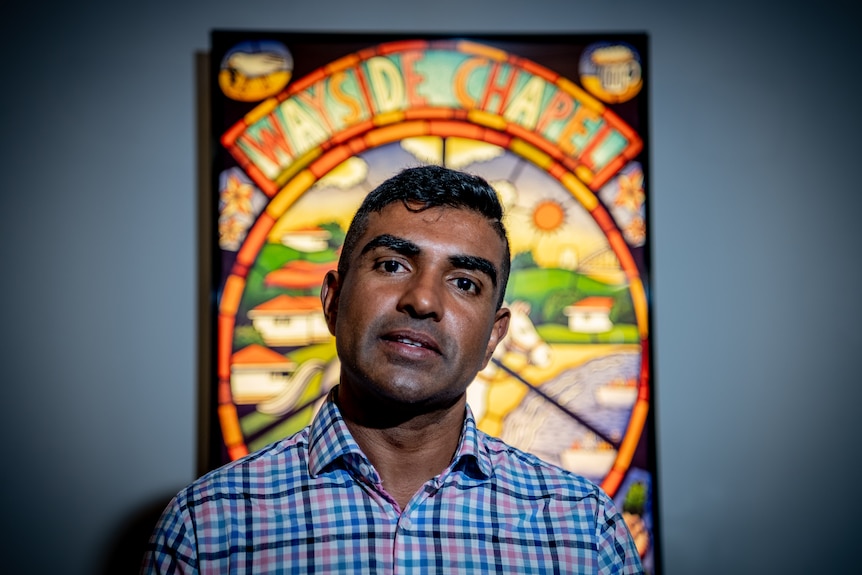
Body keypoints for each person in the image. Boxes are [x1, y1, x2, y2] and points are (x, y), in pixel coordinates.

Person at [142, 165, 643, 574]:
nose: (423, 299)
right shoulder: (206, 528)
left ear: (494, 335)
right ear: (333, 301)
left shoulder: (583, 530)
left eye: (465, 282)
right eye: (392, 265)